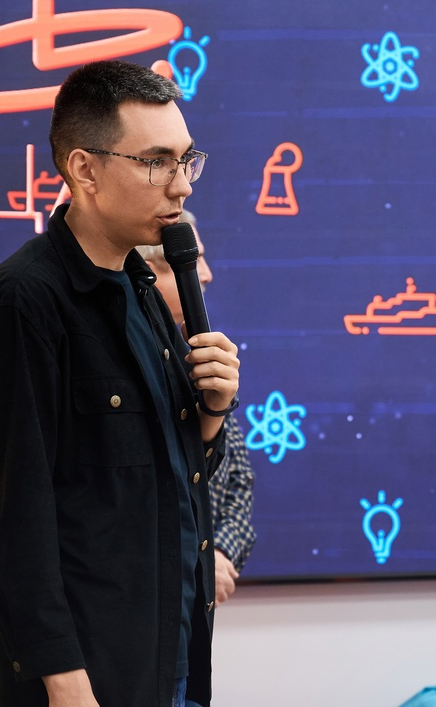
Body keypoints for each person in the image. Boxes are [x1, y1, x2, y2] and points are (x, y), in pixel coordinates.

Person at [0, 60, 240, 707]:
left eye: (186, 160)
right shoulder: (22, 302)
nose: (182, 185)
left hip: (161, 653)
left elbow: (166, 475)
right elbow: (12, 515)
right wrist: (63, 677)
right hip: (80, 675)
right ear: (84, 169)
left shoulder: (142, 287)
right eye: (156, 162)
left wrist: (211, 413)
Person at [136, 211, 256, 604]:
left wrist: (219, 552)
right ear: (146, 270)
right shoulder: (125, 354)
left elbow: (238, 477)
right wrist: (192, 558)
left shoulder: (195, 355)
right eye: (193, 261)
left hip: (194, 602)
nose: (206, 275)